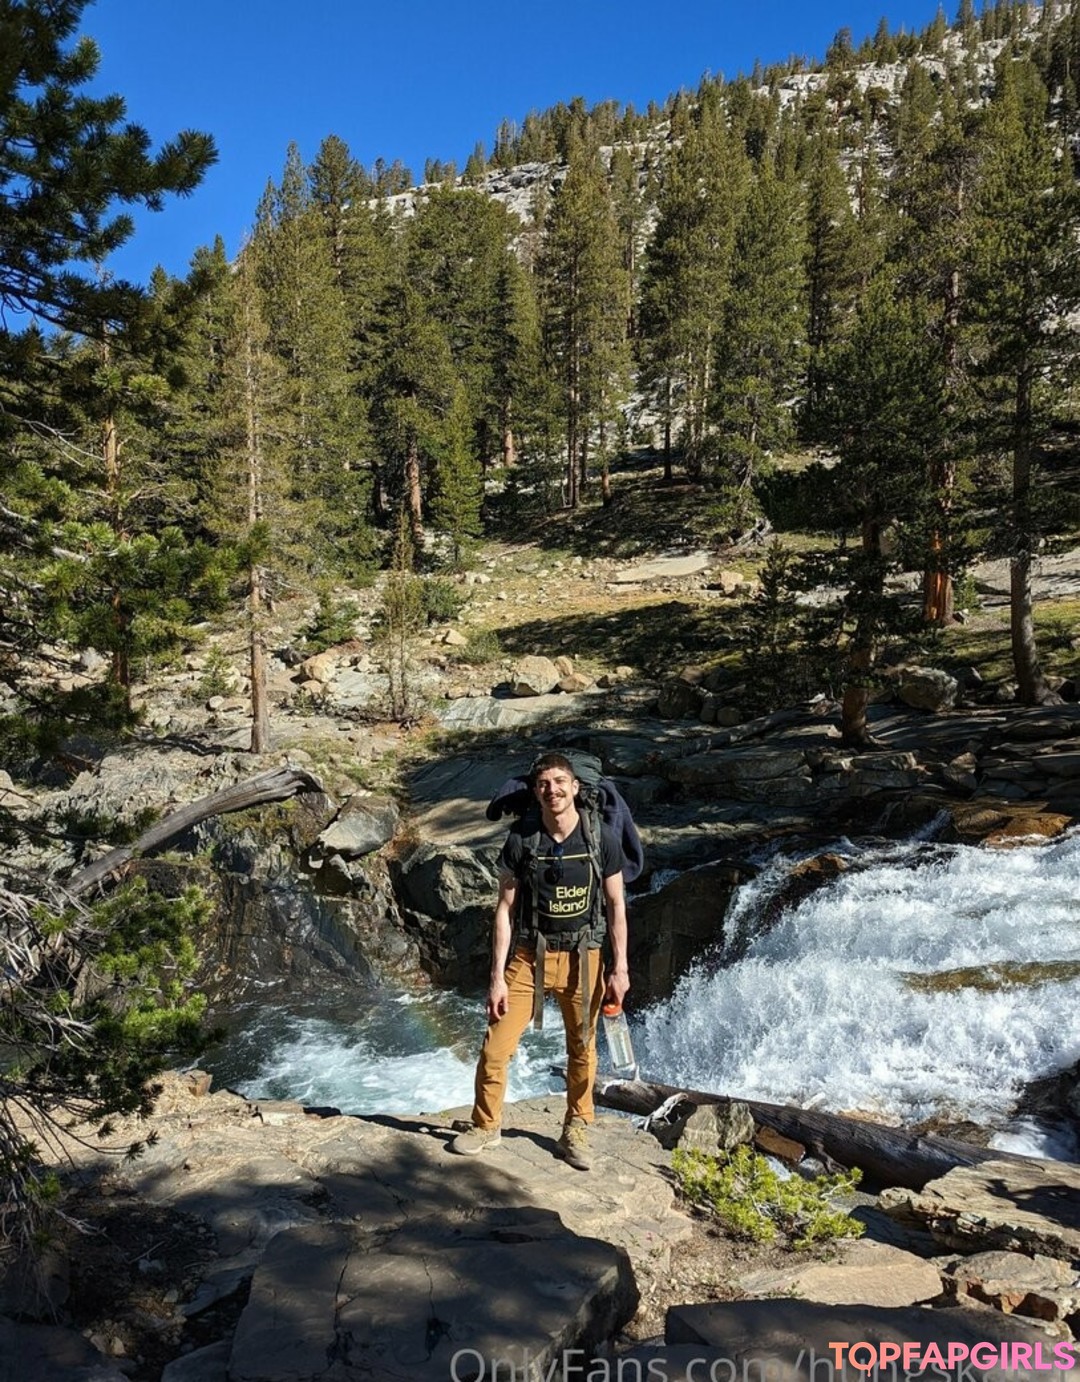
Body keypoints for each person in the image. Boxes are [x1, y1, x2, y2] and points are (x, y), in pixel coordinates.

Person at [451, 751, 629, 1171]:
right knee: (495, 1047)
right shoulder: (522, 840)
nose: (553, 790)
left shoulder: (601, 838)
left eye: (560, 782)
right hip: (530, 957)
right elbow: (504, 910)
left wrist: (620, 968)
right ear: (535, 791)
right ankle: (486, 1125)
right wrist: (497, 977)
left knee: (582, 1049)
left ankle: (577, 1128)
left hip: (584, 957)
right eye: (544, 784)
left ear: (575, 787)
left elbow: (616, 904)